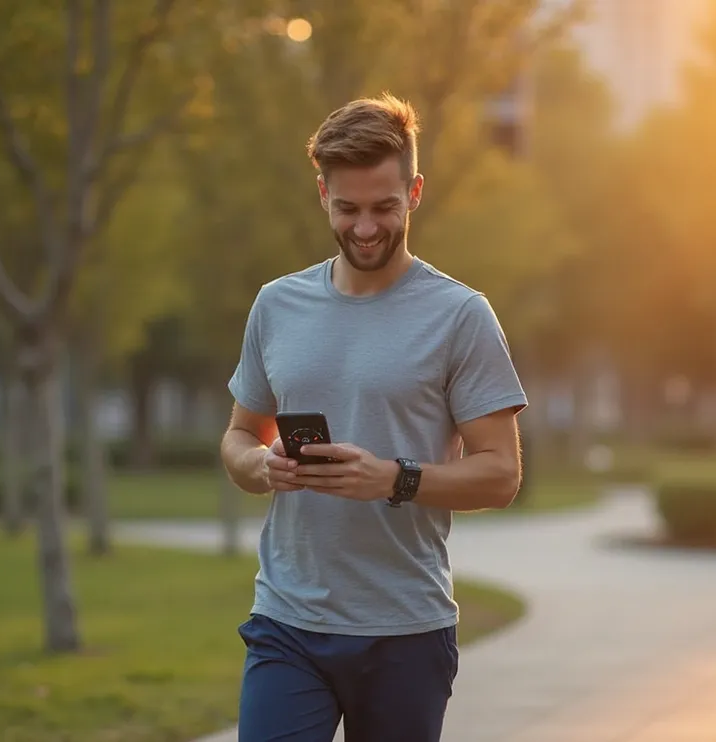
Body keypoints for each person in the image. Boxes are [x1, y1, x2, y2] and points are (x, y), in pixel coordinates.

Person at [219, 92, 529, 742]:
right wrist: (261, 465)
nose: (365, 227)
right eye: (347, 208)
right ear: (322, 196)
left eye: (384, 207)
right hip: (288, 620)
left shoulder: (461, 316)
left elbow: (501, 475)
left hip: (404, 631)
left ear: (415, 192)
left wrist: (394, 478)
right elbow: (239, 436)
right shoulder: (277, 306)